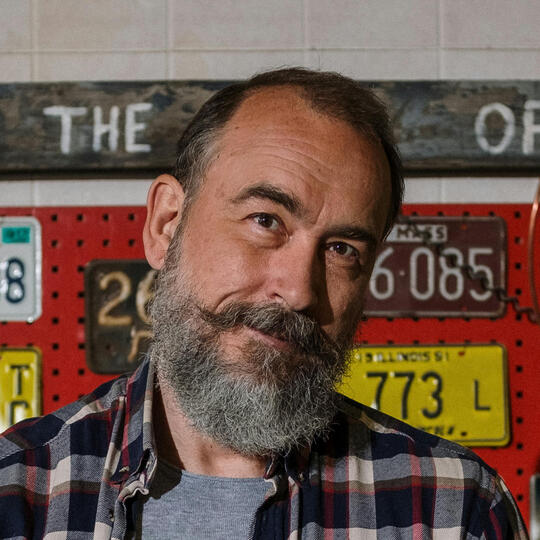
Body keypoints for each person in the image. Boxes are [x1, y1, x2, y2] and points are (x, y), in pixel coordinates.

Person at [0, 68, 527, 539]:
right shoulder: (16, 492)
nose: (298, 291)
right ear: (166, 225)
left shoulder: (451, 511)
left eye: (342, 249)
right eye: (266, 221)